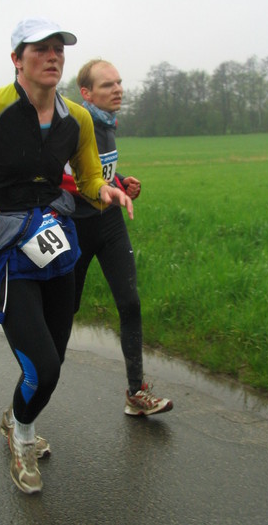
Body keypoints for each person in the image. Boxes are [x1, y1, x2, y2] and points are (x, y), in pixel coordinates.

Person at [0, 19, 133, 495]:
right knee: (43, 367)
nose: (53, 56)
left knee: (54, 356)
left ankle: (15, 415)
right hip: (5, 246)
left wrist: (105, 191)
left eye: (59, 49)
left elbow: (88, 177)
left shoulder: (77, 118)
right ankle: (23, 437)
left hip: (56, 241)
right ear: (17, 59)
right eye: (41, 49)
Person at [62, 59, 173, 416]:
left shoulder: (108, 123)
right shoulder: (74, 124)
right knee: (64, 313)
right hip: (76, 226)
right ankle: (29, 396)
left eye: (119, 83)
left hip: (109, 223)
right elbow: (63, 177)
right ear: (86, 92)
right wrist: (108, 188)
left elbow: (99, 170)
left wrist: (121, 182)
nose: (118, 90)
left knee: (130, 303)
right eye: (108, 85)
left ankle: (136, 392)